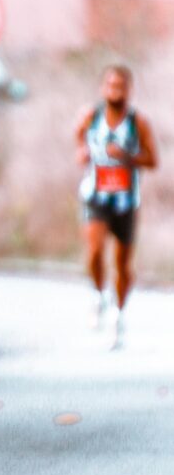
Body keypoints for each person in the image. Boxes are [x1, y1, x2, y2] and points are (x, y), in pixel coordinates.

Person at [75, 65, 158, 348]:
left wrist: (126, 156)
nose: (115, 91)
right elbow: (79, 137)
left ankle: (117, 314)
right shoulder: (91, 116)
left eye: (120, 86)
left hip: (125, 200)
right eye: (110, 85)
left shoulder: (138, 122)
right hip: (96, 196)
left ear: (129, 90)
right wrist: (82, 151)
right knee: (95, 251)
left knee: (122, 263)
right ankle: (98, 293)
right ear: (103, 88)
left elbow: (152, 160)